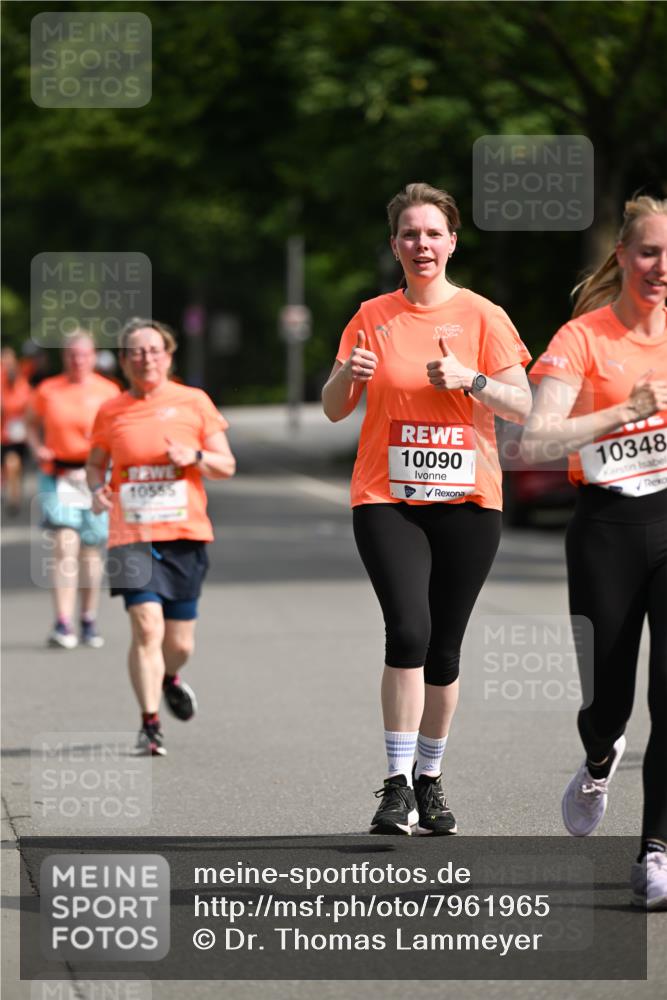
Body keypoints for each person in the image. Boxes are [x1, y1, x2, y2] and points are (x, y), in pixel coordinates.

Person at [322, 182, 531, 835]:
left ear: (451, 241)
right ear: (394, 245)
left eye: (432, 233)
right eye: (409, 234)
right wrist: (347, 374)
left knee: (443, 649)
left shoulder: (482, 316)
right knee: (407, 631)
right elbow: (334, 406)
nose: (421, 244)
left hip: (468, 501)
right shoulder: (371, 316)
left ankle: (429, 780)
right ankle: (393, 786)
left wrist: (470, 380)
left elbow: (524, 405)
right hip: (388, 498)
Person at [522, 196, 667, 910]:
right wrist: (623, 412)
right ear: (621, 257)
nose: (660, 267)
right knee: (607, 699)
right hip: (606, 528)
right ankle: (598, 755)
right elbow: (537, 441)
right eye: (647, 252)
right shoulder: (582, 337)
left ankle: (655, 852)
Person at [86, 318, 236, 756]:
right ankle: (149, 724)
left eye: (153, 350)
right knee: (145, 626)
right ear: (124, 359)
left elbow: (226, 465)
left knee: (179, 642)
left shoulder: (193, 402)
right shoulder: (111, 410)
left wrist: (194, 455)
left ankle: (170, 677)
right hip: (130, 533)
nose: (145, 358)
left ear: (168, 356)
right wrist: (97, 487)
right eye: (135, 351)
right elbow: (96, 463)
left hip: (184, 533)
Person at [26, 330, 120, 648]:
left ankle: (88, 618)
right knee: (65, 543)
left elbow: (119, 433)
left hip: (94, 475)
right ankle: (62, 622)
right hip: (59, 474)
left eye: (83, 355)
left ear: (93, 357)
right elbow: (29, 425)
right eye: (71, 355)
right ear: (63, 357)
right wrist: (38, 447)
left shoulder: (109, 391)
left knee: (90, 550)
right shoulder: (47, 390)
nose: (77, 361)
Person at [1, 347, 32, 515]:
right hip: (5, 436)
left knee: (16, 467)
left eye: (9, 361)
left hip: (21, 435)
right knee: (11, 464)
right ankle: (12, 497)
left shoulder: (23, 383)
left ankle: (15, 495)